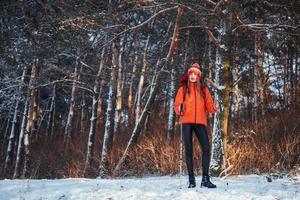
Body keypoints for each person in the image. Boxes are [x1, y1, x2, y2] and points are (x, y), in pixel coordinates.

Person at [174, 63, 219, 188]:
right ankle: (191, 180)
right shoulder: (183, 89)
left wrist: (215, 107)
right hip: (186, 122)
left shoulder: (204, 90)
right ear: (188, 75)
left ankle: (205, 179)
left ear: (199, 76)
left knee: (206, 148)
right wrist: (179, 108)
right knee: (189, 150)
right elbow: (177, 106)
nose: (193, 76)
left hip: (200, 122)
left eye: (195, 74)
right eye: (191, 74)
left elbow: (210, 107)